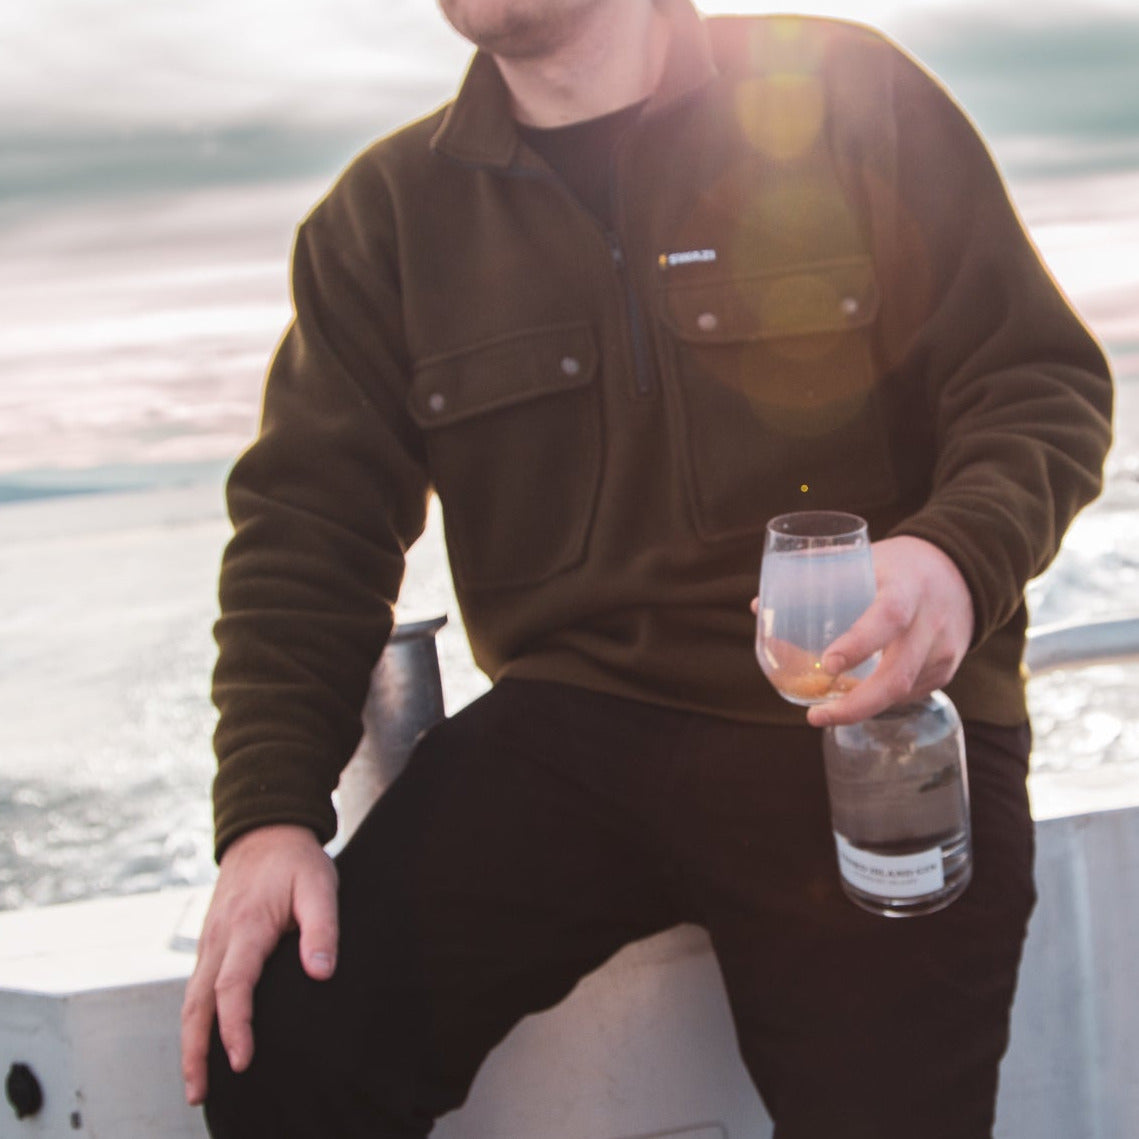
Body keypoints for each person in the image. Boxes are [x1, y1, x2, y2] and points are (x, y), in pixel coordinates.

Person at [181, 0, 1114, 1135]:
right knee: (276, 1053)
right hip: (571, 731)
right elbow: (305, 533)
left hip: (867, 721)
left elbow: (1035, 384)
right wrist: (267, 818)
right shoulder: (384, 219)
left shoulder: (847, 93)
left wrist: (952, 558)